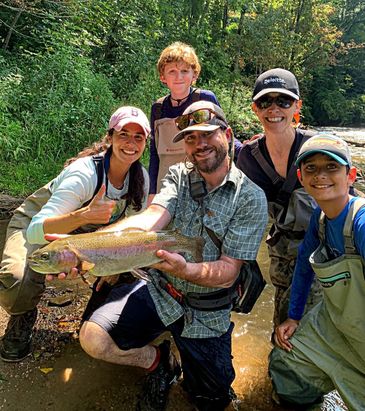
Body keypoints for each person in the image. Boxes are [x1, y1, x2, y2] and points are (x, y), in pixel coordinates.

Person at [54, 101, 267, 411]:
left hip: (206, 313)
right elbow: (153, 215)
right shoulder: (179, 175)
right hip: (160, 292)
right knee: (93, 339)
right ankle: (158, 360)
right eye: (191, 139)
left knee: (212, 401)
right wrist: (89, 244)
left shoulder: (251, 198)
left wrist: (186, 270)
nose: (199, 145)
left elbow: (228, 272)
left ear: (227, 134)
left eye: (206, 135)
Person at [0, 106, 151, 362]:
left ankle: (103, 317)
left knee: (131, 264)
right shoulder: (84, 174)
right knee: (17, 280)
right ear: (110, 136)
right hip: (36, 225)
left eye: (139, 137)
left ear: (146, 143)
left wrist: (111, 266)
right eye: (124, 134)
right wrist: (83, 216)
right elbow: (37, 231)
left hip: (88, 239)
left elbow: (132, 232)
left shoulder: (141, 179)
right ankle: (21, 319)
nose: (130, 143)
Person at [269, 134, 365, 410]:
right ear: (300, 177)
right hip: (340, 323)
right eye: (311, 168)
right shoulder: (319, 218)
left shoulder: (361, 222)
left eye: (332, 167)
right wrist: (295, 317)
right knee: (287, 356)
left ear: (351, 175)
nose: (320, 175)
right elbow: (302, 268)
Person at [237, 68, 323, 329]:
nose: (273, 109)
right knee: (284, 326)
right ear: (255, 108)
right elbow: (240, 213)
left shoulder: (318, 148)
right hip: (282, 256)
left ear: (297, 105)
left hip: (324, 254)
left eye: (283, 101)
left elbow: (350, 205)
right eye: (265, 101)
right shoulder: (248, 158)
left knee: (323, 328)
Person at [148, 41, 242, 203]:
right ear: (162, 76)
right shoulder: (157, 108)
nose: (179, 77)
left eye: (185, 71)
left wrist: (249, 149)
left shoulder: (205, 98)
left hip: (201, 184)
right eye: (172, 71)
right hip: (165, 186)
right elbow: (154, 154)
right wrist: (151, 193)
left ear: (195, 75)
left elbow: (226, 139)